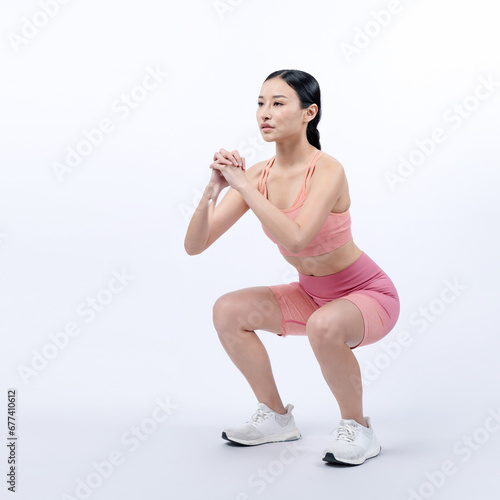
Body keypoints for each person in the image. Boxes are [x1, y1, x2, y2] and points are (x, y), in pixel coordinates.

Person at [184, 69, 400, 466]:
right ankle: (276, 417)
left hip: (367, 294)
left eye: (278, 103)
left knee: (325, 326)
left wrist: (244, 187)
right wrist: (213, 190)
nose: (265, 113)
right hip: (311, 295)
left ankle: (359, 428)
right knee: (227, 310)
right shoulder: (257, 176)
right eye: (261, 103)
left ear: (308, 112)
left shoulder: (327, 170)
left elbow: (298, 238)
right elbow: (195, 246)